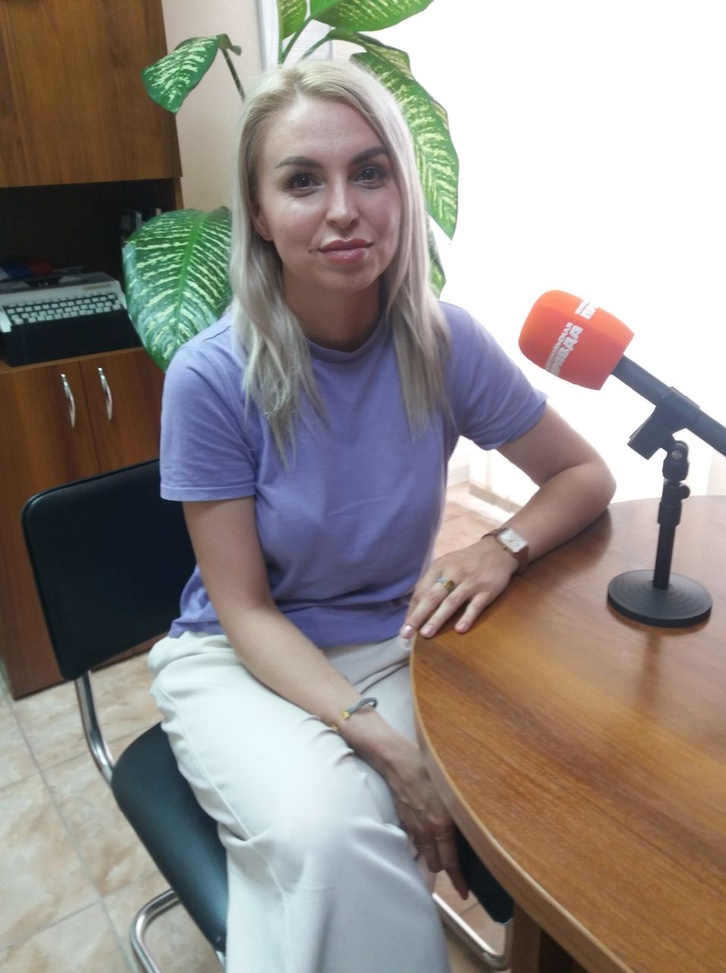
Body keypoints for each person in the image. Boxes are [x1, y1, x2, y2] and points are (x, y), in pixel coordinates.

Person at [149, 58, 616, 973]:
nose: (343, 210)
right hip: (239, 655)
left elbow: (582, 474)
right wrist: (385, 747)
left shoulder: (445, 341)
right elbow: (244, 609)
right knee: (329, 834)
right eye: (302, 181)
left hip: (393, 638)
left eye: (369, 172)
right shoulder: (210, 376)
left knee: (516, 783)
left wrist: (503, 545)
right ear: (258, 212)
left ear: (402, 189)